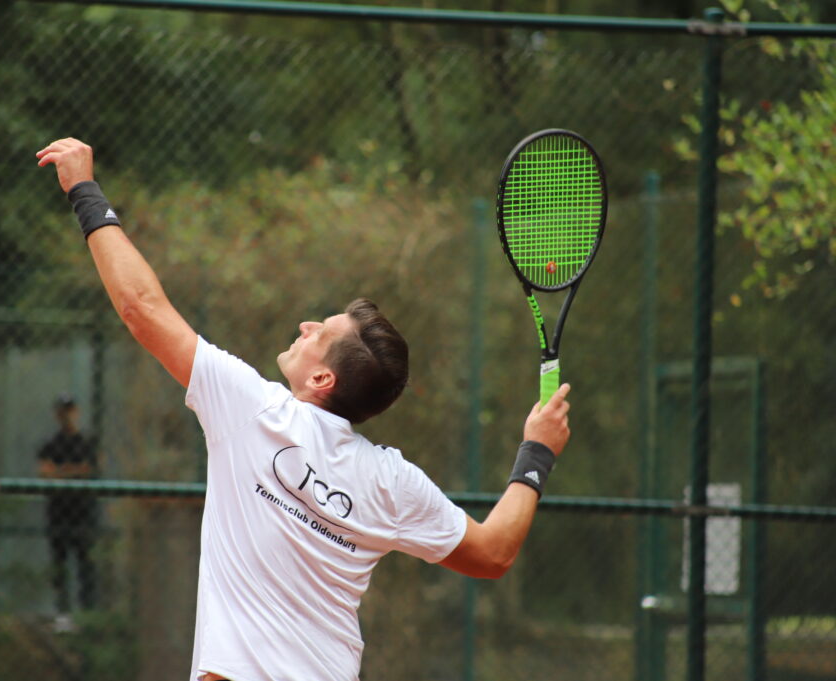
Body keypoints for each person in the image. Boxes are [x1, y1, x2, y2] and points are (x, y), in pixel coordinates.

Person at [37, 138, 571, 681]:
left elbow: (141, 309)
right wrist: (537, 453)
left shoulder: (251, 408)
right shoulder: (391, 481)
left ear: (322, 378)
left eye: (321, 330)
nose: (305, 326)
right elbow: (494, 552)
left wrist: (85, 191)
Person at [37, 393, 99, 619]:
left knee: (86, 564)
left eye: (71, 410)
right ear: (57, 415)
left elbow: (91, 469)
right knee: (59, 564)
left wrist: (60, 472)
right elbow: (45, 472)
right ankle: (62, 613)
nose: (67, 415)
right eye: (63, 411)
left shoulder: (87, 442)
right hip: (58, 513)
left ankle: (88, 613)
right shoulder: (50, 444)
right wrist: (75, 471)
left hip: (84, 514)